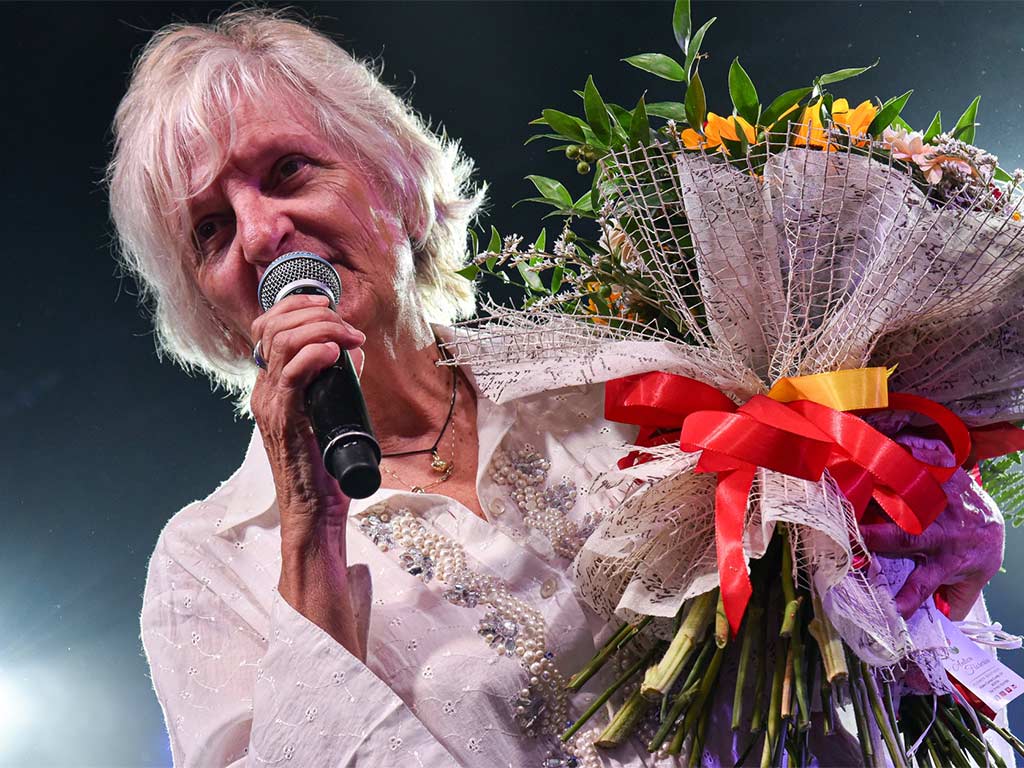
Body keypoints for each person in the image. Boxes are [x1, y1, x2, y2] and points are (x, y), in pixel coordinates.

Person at [108, 9, 1006, 768]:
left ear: (396, 180)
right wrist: (310, 520)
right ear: (210, 307)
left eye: (287, 172)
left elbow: (853, 622)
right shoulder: (207, 564)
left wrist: (901, 533)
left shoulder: (614, 376)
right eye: (210, 230)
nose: (260, 233)